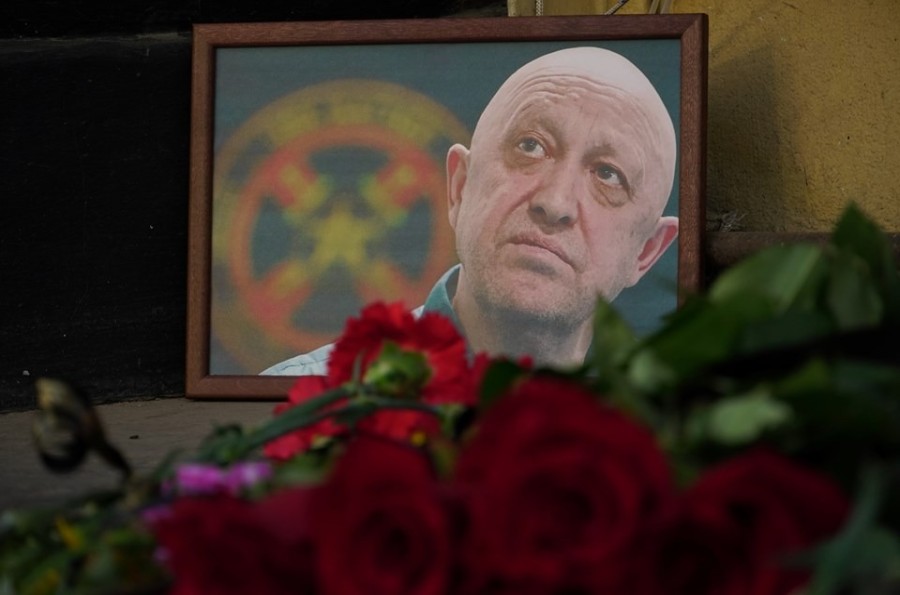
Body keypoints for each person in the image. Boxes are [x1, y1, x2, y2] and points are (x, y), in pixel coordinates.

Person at [262, 46, 678, 376]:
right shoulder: (296, 404)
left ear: (646, 252)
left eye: (608, 175)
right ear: (459, 187)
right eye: (531, 146)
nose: (555, 203)